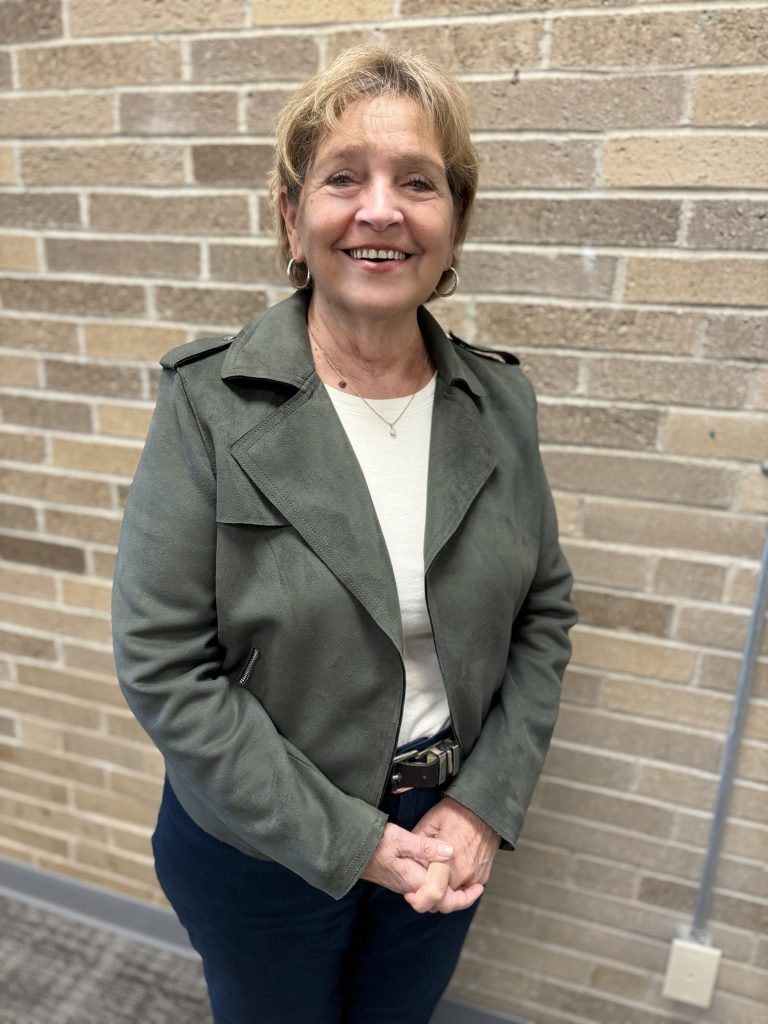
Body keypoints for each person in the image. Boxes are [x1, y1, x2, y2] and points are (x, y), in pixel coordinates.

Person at [111, 46, 577, 1024]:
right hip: (263, 839)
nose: (380, 209)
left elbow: (543, 612)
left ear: (454, 226)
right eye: (342, 177)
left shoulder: (501, 403)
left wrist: (483, 801)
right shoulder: (207, 405)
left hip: (445, 830)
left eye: (418, 181)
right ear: (292, 217)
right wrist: (351, 838)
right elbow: (163, 665)